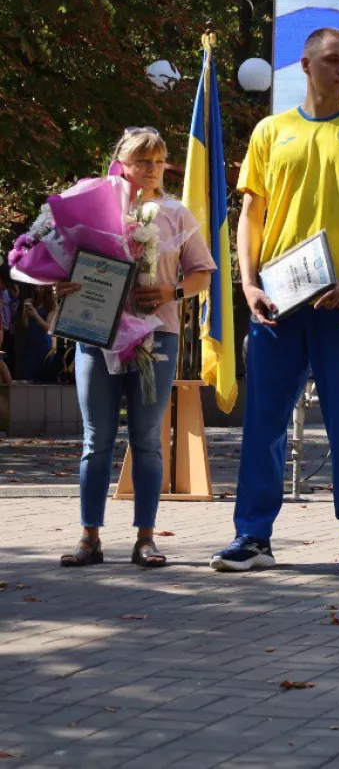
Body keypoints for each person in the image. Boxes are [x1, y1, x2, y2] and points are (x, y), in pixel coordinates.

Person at [211, 27, 339, 574]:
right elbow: (251, 215)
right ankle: (252, 538)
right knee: (265, 422)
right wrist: (248, 284)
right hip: (276, 302)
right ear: (305, 65)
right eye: (332, 60)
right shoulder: (272, 132)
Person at [58, 128, 215, 568]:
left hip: (155, 337)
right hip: (96, 336)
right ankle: (89, 537)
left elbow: (203, 273)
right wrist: (62, 285)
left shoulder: (176, 214)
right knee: (96, 441)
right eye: (142, 160)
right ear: (121, 162)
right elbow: (60, 261)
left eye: (159, 160)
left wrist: (171, 292)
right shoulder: (93, 206)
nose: (151, 168)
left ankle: (146, 538)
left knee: (147, 439)